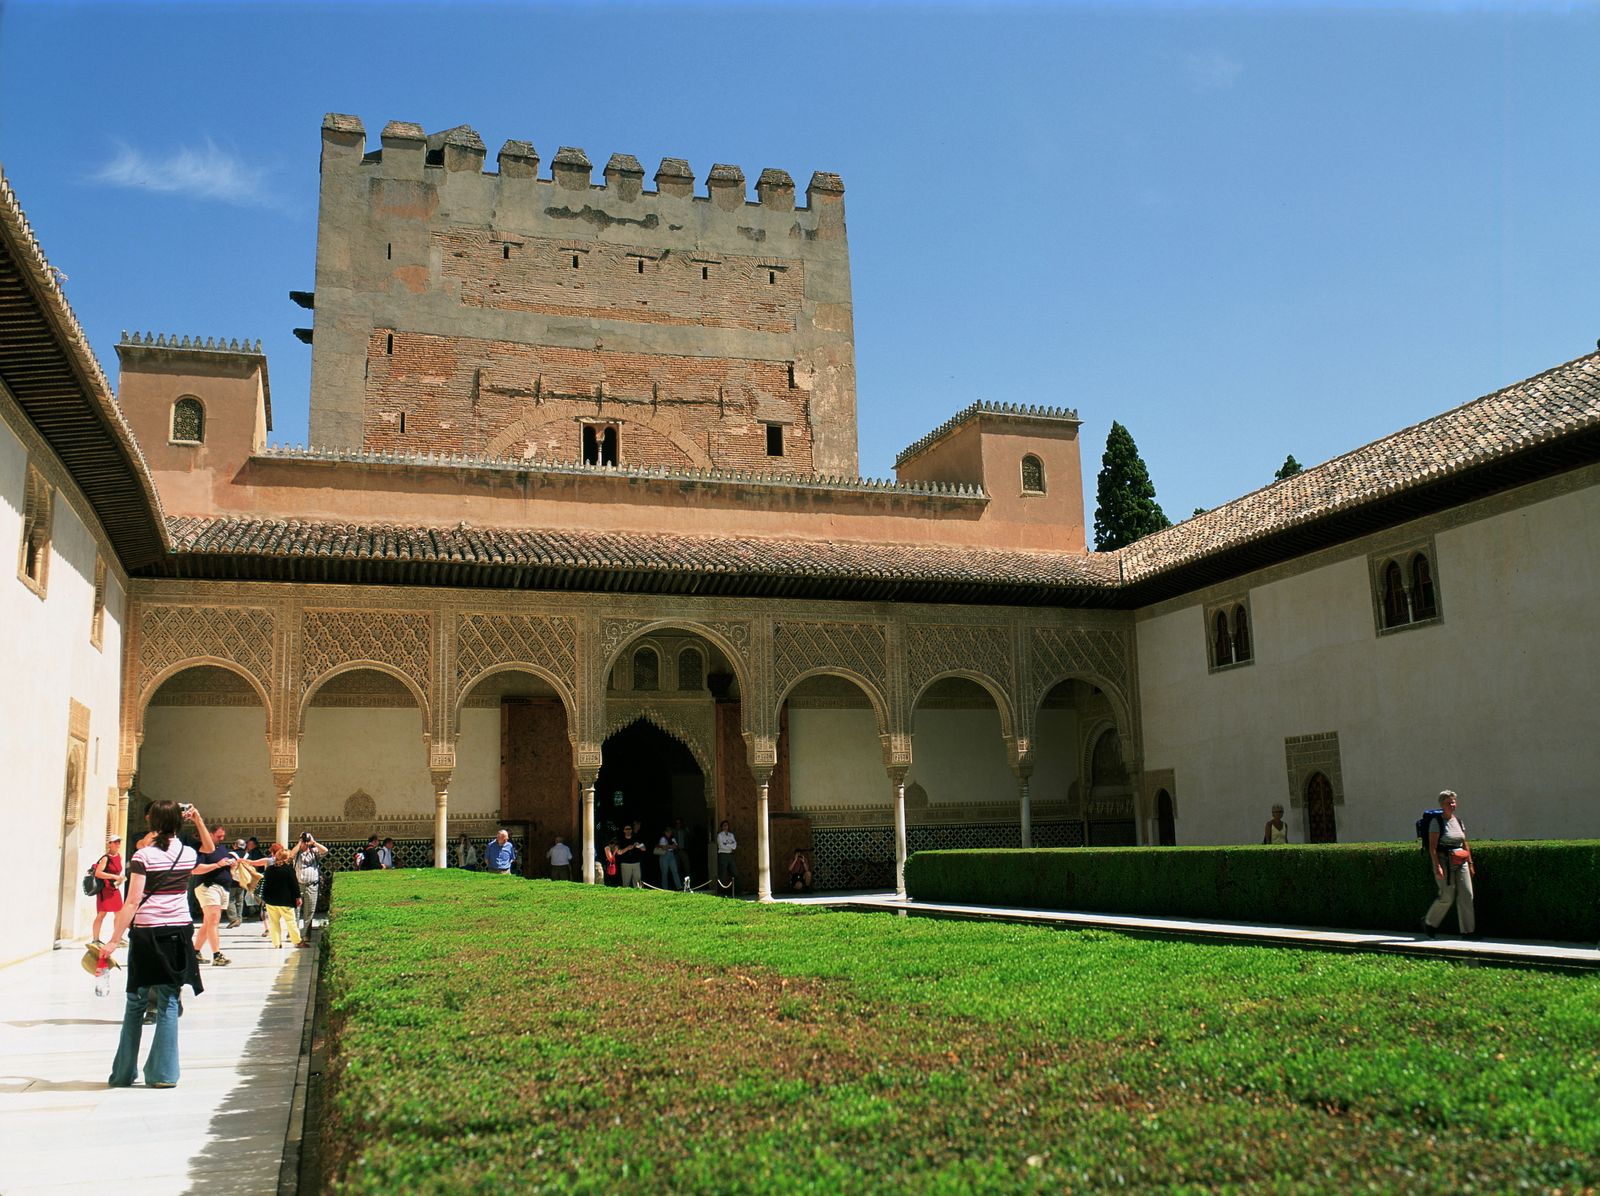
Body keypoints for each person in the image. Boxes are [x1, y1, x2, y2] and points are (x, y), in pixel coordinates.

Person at [101, 801, 214, 1089]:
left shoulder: (144, 855)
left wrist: (114, 939)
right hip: (178, 931)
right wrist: (198, 819)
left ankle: (123, 1073)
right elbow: (210, 849)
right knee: (169, 1000)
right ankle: (163, 1074)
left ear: (153, 823)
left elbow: (134, 900)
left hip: (147, 932)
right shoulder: (187, 853)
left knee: (136, 1001)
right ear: (179, 823)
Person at [1422, 789, 1476, 938]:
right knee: (1447, 896)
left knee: (1467, 894)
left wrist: (1470, 863)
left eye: (1453, 801)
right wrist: (1437, 865)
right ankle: (1429, 923)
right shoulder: (1436, 822)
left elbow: (1464, 843)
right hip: (1444, 860)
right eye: (1448, 802)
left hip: (1461, 860)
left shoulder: (1458, 821)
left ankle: (1468, 931)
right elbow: (1432, 848)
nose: (1452, 804)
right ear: (1442, 804)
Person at [191, 824, 236, 966]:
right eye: (218, 836)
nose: (221, 839)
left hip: (223, 888)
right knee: (214, 920)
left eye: (223, 836)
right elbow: (195, 870)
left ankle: (195, 952)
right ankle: (217, 954)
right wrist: (217, 864)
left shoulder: (222, 849)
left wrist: (232, 864)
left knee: (209, 922)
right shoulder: (202, 849)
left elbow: (225, 864)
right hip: (208, 887)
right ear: (209, 834)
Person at [260, 847, 308, 948]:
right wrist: (298, 897)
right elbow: (294, 885)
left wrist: (264, 898)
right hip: (285, 901)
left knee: (274, 923)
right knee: (291, 922)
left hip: (271, 901)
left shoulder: (269, 869)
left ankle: (277, 943)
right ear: (287, 858)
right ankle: (297, 941)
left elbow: (265, 884)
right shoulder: (288, 870)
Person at [90, 833, 125, 945]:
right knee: (102, 914)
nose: (117, 844)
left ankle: (117, 938)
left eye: (118, 841)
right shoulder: (105, 858)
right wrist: (114, 877)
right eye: (115, 842)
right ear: (109, 844)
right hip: (105, 890)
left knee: (119, 913)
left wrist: (119, 879)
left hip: (114, 888)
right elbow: (98, 873)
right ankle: (95, 940)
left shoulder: (119, 856)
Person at [293, 832, 328, 937]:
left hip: (312, 885)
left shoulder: (314, 851)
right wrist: (300, 843)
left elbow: (325, 851)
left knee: (310, 910)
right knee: (295, 910)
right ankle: (294, 933)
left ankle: (306, 934)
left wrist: (314, 842)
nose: (305, 841)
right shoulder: (297, 852)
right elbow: (290, 855)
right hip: (298, 885)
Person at [616, 824, 645, 888]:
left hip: (636, 863)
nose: (628, 830)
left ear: (631, 830)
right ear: (624, 831)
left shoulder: (636, 838)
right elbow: (618, 852)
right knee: (626, 883)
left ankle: (638, 895)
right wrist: (627, 848)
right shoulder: (620, 840)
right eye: (626, 829)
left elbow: (644, 849)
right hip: (625, 864)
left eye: (629, 829)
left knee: (638, 883)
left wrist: (639, 846)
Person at [657, 825, 683, 891]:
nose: (669, 833)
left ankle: (679, 886)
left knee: (675, 871)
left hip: (671, 855)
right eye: (668, 832)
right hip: (664, 856)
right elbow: (663, 847)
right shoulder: (662, 838)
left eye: (670, 832)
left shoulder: (672, 838)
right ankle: (665, 888)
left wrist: (668, 846)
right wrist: (671, 846)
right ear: (665, 832)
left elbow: (676, 847)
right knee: (664, 872)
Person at [715, 820, 737, 895]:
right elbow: (721, 846)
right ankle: (720, 892)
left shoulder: (731, 835)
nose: (725, 827)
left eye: (726, 825)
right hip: (723, 855)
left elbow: (734, 846)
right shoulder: (720, 835)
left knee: (734, 873)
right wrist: (729, 845)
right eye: (724, 825)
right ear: (721, 827)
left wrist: (727, 845)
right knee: (722, 874)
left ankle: (736, 891)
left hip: (730, 855)